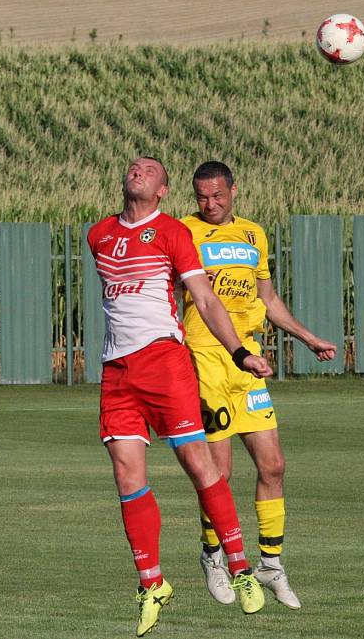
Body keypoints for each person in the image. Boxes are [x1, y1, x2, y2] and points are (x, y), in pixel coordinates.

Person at [87, 156, 272, 637]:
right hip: (116, 371)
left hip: (165, 363)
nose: (136, 171)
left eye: (148, 170)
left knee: (199, 463)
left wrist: (238, 352)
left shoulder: (172, 232)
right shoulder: (100, 234)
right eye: (131, 167)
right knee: (126, 474)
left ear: (163, 189)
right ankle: (152, 583)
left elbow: (205, 299)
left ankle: (240, 568)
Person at [180, 161, 338, 610]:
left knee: (273, 466)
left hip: (248, 361)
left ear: (233, 190)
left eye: (217, 196)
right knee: (220, 472)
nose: (209, 205)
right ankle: (214, 556)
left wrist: (308, 338)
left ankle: (270, 564)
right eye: (202, 197)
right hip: (205, 358)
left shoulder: (254, 235)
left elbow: (267, 299)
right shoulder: (182, 233)